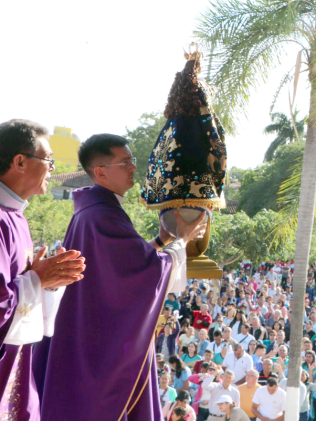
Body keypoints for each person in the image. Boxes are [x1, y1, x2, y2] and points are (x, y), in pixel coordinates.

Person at [36, 133, 205, 420]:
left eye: (132, 160)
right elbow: (143, 274)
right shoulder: (103, 215)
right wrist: (183, 240)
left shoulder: (96, 210)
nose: (132, 168)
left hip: (91, 331)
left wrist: (161, 241)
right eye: (125, 162)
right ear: (100, 171)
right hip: (101, 344)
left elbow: (123, 265)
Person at [0, 119, 86, 420]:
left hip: (16, 364)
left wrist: (45, 283)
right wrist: (37, 278)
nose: (52, 167)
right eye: (47, 159)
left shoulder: (16, 217)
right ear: (19, 161)